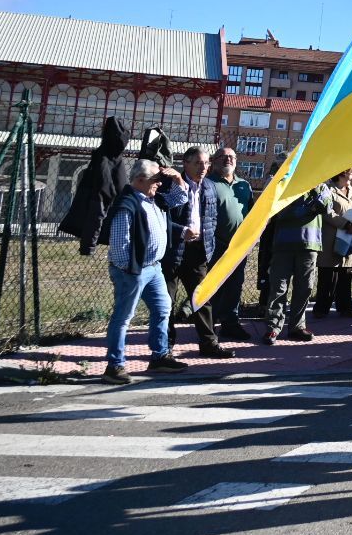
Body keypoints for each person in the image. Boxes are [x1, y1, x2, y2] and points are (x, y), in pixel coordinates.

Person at [102, 158, 189, 383]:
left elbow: (180, 197)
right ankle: (115, 365)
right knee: (123, 318)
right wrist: (130, 271)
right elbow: (120, 246)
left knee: (163, 309)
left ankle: (160, 356)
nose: (159, 184)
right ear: (140, 180)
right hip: (134, 271)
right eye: (155, 180)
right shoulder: (128, 204)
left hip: (154, 268)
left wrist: (178, 177)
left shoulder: (154, 200)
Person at [163, 146, 231, 359]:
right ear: (186, 163)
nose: (203, 167)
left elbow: (211, 218)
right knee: (167, 302)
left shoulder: (209, 186)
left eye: (206, 163)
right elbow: (159, 217)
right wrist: (180, 231)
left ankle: (209, 343)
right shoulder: (169, 184)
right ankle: (165, 347)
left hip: (198, 253)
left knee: (202, 298)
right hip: (172, 251)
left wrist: (207, 242)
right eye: (198, 163)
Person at [263, 181, 334, 344]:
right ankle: (273, 328)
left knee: (304, 288)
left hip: (309, 245)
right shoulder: (285, 183)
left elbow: (327, 208)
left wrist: (313, 196)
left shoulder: (322, 186)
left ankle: (297, 327)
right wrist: (310, 208)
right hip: (283, 244)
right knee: (278, 288)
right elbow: (282, 212)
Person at [205, 148, 254, 342]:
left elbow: (250, 213)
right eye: (223, 157)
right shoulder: (208, 184)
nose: (228, 160)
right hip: (215, 244)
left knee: (235, 285)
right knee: (214, 285)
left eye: (232, 157)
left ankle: (230, 324)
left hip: (239, 246)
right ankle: (209, 325)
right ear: (214, 161)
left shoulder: (244, 185)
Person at [60, 116, 130, 253]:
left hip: (98, 209)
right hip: (118, 229)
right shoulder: (117, 159)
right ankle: (90, 246)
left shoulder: (103, 158)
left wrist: (88, 245)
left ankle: (89, 247)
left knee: (96, 208)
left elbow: (99, 204)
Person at [313, 169, 352, 318]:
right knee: (328, 275)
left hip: (349, 239)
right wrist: (346, 225)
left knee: (346, 273)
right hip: (331, 239)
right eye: (351, 172)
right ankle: (322, 308)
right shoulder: (328, 190)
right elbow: (327, 212)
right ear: (342, 174)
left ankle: (345, 307)